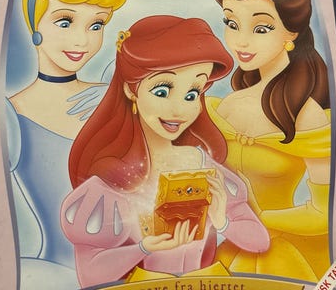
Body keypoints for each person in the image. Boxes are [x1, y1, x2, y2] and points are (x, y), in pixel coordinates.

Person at [60, 15, 270, 288]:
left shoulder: (205, 167)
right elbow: (90, 275)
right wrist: (144, 248)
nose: (179, 109)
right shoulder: (112, 181)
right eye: (162, 91)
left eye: (192, 94)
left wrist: (223, 221)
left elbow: (260, 241)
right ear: (131, 90)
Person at [207, 0, 331, 281]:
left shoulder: (306, 116)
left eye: (261, 28)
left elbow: (324, 213)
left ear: (292, 33)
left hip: (286, 251)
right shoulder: (227, 106)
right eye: (231, 24)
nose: (240, 41)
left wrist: (260, 216)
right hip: (233, 243)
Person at [6, 0, 127, 288]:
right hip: (62, 273)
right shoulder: (11, 114)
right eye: (65, 21)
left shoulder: (116, 93)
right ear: (35, 25)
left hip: (136, 263)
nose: (82, 40)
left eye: (96, 25)